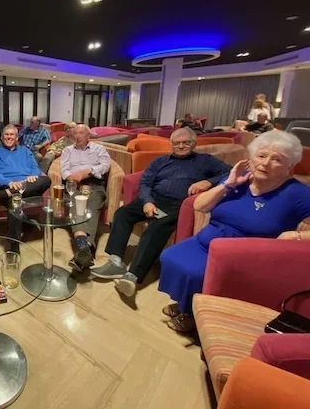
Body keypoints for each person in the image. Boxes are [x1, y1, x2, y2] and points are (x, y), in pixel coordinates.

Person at [158, 131, 310, 332]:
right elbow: (200, 206)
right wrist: (228, 184)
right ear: (251, 158)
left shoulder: (298, 193)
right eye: (261, 155)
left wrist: (298, 235)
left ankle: (192, 315)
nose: (265, 163)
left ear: (289, 167)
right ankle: (186, 304)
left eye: (277, 160)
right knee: (169, 256)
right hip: (207, 240)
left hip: (243, 254)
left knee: (195, 273)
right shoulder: (239, 179)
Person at [91, 128, 232, 297]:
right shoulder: (160, 161)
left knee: (156, 227)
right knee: (122, 213)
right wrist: (147, 201)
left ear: (194, 144)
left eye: (185, 143)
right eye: (176, 143)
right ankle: (115, 261)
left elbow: (230, 172)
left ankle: (133, 276)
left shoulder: (205, 161)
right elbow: (145, 182)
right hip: (153, 198)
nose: (181, 146)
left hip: (176, 204)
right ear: (171, 145)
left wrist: (208, 182)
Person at [0, 125, 51, 241]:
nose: (9, 137)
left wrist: (32, 176)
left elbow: (35, 167)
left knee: (46, 180)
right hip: (7, 186)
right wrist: (8, 182)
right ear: (2, 137)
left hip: (28, 187)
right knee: (15, 202)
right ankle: (14, 245)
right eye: (6, 134)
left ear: (17, 137)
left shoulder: (25, 151)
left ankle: (3, 194)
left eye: (11, 134)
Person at [60, 124, 111, 271]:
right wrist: (79, 182)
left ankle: (82, 250)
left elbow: (105, 165)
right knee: (77, 207)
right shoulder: (67, 150)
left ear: (88, 135)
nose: (78, 136)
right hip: (74, 185)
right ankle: (85, 248)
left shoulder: (99, 149)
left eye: (81, 133)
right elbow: (64, 170)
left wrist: (88, 171)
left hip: (95, 184)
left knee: (92, 207)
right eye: (75, 133)